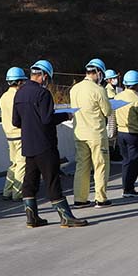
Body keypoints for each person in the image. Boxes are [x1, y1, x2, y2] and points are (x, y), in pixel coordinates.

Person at [12, 60, 87, 228]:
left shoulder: (20, 93)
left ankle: (32, 217)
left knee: (30, 181)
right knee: (52, 180)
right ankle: (66, 217)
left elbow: (16, 121)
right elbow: (47, 119)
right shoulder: (43, 94)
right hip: (45, 145)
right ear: (44, 76)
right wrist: (65, 115)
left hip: (28, 145)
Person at [69, 58, 113, 209]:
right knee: (100, 165)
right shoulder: (98, 90)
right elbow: (107, 111)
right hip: (96, 134)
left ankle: (80, 198)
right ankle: (100, 198)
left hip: (79, 133)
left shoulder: (74, 89)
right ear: (99, 73)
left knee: (82, 166)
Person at [115, 70, 138, 197]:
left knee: (126, 161)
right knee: (134, 162)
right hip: (134, 133)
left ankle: (125, 186)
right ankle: (129, 189)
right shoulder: (137, 100)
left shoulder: (118, 97)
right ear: (137, 85)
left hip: (121, 132)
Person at [0, 67, 28, 202]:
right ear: (19, 82)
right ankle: (18, 193)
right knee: (22, 163)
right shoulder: (19, 96)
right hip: (20, 133)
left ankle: (7, 190)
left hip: (9, 134)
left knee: (14, 164)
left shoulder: (3, 97)